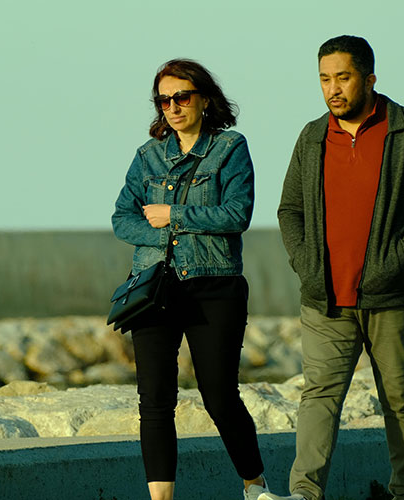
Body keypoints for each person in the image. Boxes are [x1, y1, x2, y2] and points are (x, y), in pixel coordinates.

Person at [259, 36, 404, 500]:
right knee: (318, 397)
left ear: (369, 79)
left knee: (400, 399)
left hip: (391, 296)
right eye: (324, 79)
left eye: (343, 78)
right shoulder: (312, 136)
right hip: (325, 298)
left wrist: (398, 259)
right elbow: (290, 209)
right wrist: (306, 264)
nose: (333, 89)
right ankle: (304, 493)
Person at [111, 58, 269, 500]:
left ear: (205, 99)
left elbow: (236, 214)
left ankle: (255, 486)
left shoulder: (230, 148)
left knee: (219, 395)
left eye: (181, 97)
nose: (173, 107)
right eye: (164, 100)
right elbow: (122, 219)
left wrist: (173, 215)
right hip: (153, 286)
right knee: (154, 400)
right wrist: (165, 232)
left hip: (214, 285)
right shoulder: (147, 156)